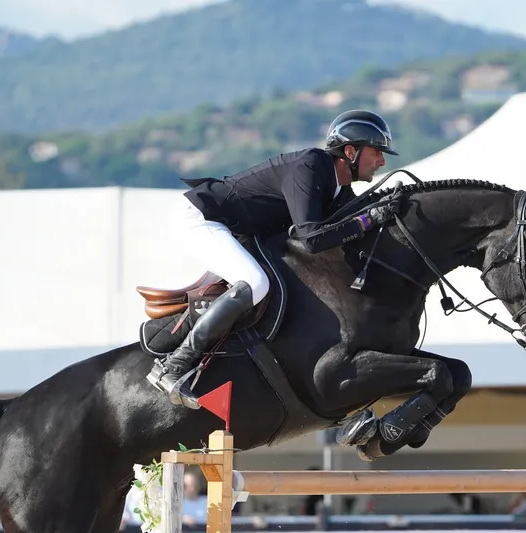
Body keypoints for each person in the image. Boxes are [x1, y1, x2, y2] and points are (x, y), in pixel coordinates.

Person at [147, 109, 402, 408]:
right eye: (376, 152)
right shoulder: (311, 166)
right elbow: (312, 238)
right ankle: (174, 365)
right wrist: (367, 220)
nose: (382, 161)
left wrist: (389, 206)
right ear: (350, 151)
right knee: (255, 283)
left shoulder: (338, 188)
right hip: (202, 218)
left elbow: (350, 222)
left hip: (235, 229)